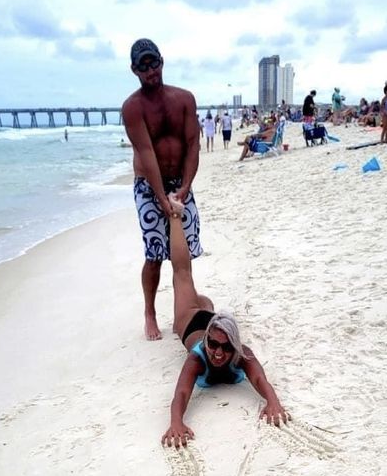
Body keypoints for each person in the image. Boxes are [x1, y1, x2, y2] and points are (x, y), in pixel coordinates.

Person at [161, 193, 288, 447]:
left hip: (213, 320)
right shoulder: (197, 357)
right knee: (182, 275)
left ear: (235, 346)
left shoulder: (242, 354)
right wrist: (176, 422)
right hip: (192, 322)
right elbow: (182, 393)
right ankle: (175, 214)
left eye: (226, 347)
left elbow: (260, 380)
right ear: (207, 341)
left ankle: (203, 302)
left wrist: (273, 402)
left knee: (202, 300)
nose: (218, 353)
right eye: (214, 345)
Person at [122, 38, 201, 341]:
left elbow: (193, 143)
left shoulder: (184, 99)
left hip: (180, 182)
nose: (150, 70)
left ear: (162, 61)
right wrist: (160, 197)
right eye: (143, 66)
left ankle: (184, 311)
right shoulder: (132, 108)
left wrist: (185, 186)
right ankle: (150, 312)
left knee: (184, 255)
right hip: (147, 184)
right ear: (134, 70)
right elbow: (146, 153)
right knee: (155, 253)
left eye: (153, 62)